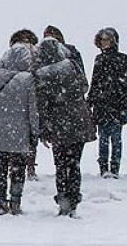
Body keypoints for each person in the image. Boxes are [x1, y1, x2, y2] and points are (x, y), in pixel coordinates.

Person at [35, 37, 95, 217]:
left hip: (57, 124)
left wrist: (43, 130)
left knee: (60, 165)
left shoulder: (42, 74)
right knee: (74, 164)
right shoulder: (72, 65)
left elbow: (42, 105)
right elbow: (84, 87)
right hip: (78, 121)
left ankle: (63, 201)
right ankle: (74, 200)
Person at [0, 39, 39, 216]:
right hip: (20, 130)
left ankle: (1, 201)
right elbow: (32, 108)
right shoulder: (28, 79)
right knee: (18, 168)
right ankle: (15, 201)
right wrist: (35, 130)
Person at [87, 27, 127, 177]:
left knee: (116, 139)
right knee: (104, 139)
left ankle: (115, 168)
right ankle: (104, 168)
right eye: (102, 40)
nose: (104, 43)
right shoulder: (99, 59)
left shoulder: (123, 59)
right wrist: (90, 102)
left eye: (107, 39)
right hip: (102, 105)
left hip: (117, 105)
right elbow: (95, 81)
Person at [8, 29, 41, 181]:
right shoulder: (34, 56)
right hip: (25, 102)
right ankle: (25, 165)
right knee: (28, 136)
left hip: (18, 103)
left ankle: (23, 165)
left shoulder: (10, 56)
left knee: (24, 137)